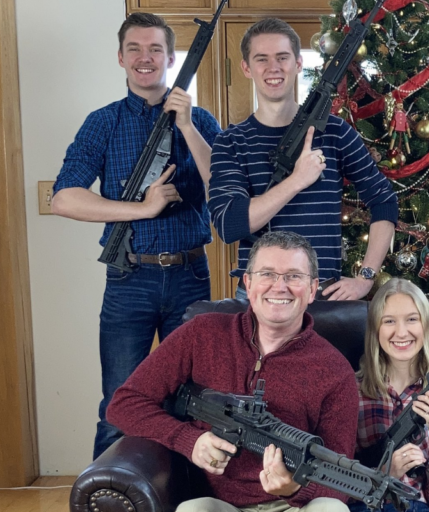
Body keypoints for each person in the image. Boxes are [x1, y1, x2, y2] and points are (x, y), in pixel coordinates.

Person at [51, 13, 221, 459]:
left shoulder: (200, 119)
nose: (145, 59)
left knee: (195, 404)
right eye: (135, 49)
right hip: (130, 281)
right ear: (121, 58)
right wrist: (141, 209)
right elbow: (64, 198)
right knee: (119, 404)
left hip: (190, 277)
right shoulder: (102, 123)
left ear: (170, 58)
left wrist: (186, 125)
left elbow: (225, 192)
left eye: (155, 50)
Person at [107, 230, 358, 512]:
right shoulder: (201, 334)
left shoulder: (335, 369)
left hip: (295, 505)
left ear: (312, 289)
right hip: (218, 503)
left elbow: (340, 476)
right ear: (248, 284)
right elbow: (124, 404)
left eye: (293, 276)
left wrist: (295, 488)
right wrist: (189, 440)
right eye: (267, 274)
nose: (279, 287)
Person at [208, 18, 398, 301]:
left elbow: (384, 201)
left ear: (297, 64)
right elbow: (230, 225)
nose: (273, 67)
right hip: (260, 297)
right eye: (262, 59)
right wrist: (296, 180)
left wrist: (365, 278)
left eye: (282, 57)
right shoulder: (231, 142)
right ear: (246, 68)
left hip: (321, 294)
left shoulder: (335, 132)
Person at [353, 279, 429, 512]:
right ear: (375, 330)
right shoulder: (353, 393)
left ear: (426, 326)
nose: (401, 332)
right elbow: (335, 483)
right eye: (389, 321)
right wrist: (383, 474)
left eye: (412, 319)